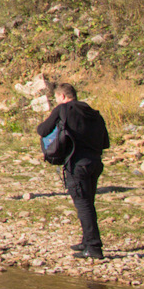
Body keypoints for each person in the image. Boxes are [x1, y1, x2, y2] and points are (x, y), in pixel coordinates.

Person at [37, 82, 111, 259]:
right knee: (88, 202)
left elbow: (42, 130)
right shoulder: (94, 114)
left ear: (62, 97)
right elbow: (106, 142)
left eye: (56, 99)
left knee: (83, 205)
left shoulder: (63, 109)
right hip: (95, 163)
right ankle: (87, 241)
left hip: (76, 163)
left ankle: (93, 248)